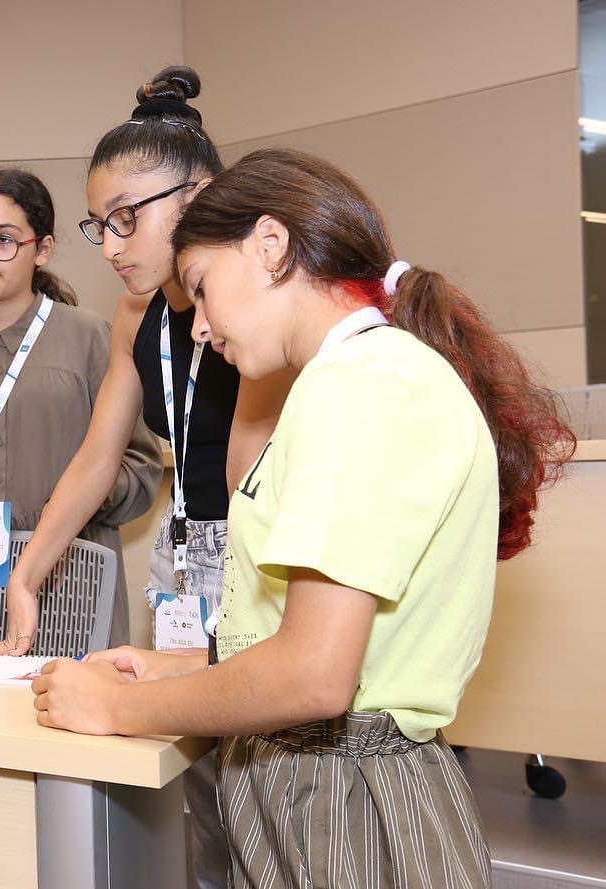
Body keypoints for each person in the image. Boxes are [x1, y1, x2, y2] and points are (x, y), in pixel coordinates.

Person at [31, 148, 576, 887]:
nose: (200, 328)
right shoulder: (362, 378)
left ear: (269, 245)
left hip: (343, 799)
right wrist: (187, 665)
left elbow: (316, 676)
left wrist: (121, 708)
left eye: (202, 287)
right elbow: (344, 645)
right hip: (325, 785)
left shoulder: (359, 387)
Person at [0, 65, 289, 886]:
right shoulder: (136, 312)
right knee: (196, 772)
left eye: (126, 219)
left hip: (263, 549)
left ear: (198, 195)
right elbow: (96, 454)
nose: (108, 246)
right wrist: (26, 576)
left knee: (269, 775)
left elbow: (256, 467)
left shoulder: (251, 300)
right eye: (98, 224)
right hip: (183, 555)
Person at [0, 168, 161, 645]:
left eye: (4, 240)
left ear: (42, 249)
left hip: (73, 579)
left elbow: (140, 464)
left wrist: (76, 499)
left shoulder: (89, 336)